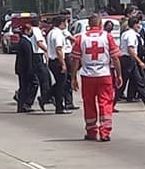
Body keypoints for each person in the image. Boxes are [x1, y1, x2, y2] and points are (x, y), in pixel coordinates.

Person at [71, 14, 123, 142]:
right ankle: (105, 132)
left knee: (89, 103)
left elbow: (75, 60)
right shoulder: (108, 37)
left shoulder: (80, 38)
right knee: (105, 102)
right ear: (100, 24)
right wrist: (119, 74)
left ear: (89, 24)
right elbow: (115, 58)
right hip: (104, 74)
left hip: (87, 75)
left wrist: (73, 77)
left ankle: (92, 131)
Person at [118, 17, 145, 111]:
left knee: (139, 81)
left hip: (129, 60)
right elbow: (130, 50)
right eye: (138, 24)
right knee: (123, 83)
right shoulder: (131, 35)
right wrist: (139, 61)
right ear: (134, 24)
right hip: (128, 60)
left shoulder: (126, 33)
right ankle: (111, 103)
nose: (140, 26)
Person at [46, 16, 71, 115]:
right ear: (61, 23)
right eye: (65, 22)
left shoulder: (52, 32)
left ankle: (46, 97)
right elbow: (59, 49)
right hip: (57, 61)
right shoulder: (57, 34)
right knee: (61, 85)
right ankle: (59, 106)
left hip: (53, 61)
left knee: (60, 83)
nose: (66, 24)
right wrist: (63, 64)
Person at [15, 24, 36, 113]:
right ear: (26, 31)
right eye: (30, 30)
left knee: (24, 87)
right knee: (30, 85)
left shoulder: (23, 41)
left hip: (22, 68)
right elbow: (28, 58)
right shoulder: (25, 42)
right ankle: (25, 104)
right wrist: (30, 69)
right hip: (25, 69)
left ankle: (22, 105)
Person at [60, 10, 78, 110]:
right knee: (68, 79)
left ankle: (68, 101)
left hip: (66, 54)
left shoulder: (63, 30)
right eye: (66, 19)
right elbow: (73, 40)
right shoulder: (64, 31)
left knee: (66, 79)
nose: (68, 20)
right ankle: (68, 102)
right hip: (66, 55)